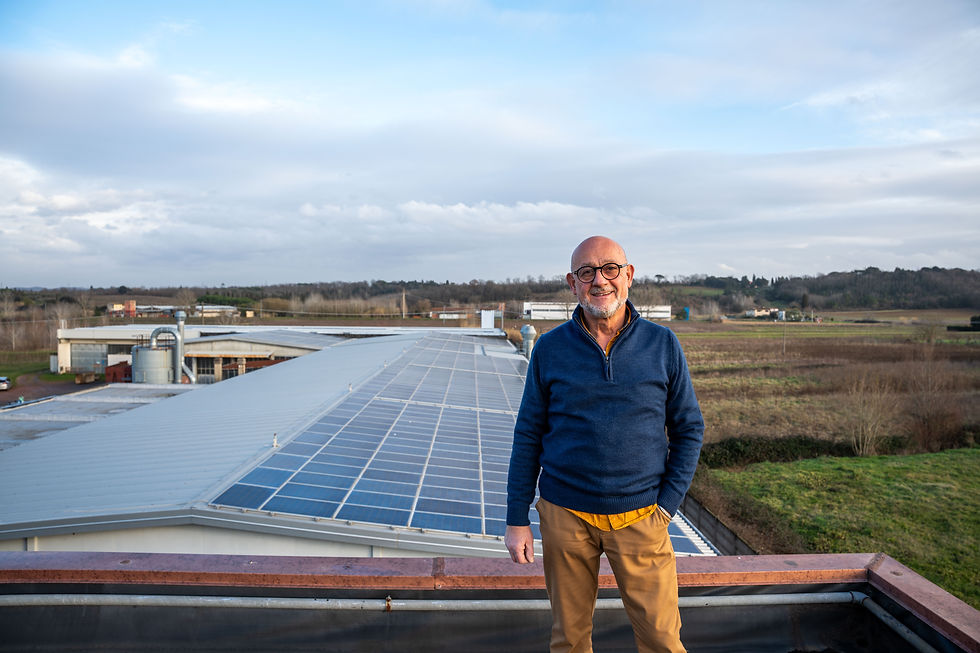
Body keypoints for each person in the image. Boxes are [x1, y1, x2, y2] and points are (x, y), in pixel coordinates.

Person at [505, 235, 704, 653]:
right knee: (569, 640)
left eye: (610, 268)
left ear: (628, 276)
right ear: (572, 283)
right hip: (565, 518)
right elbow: (528, 434)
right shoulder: (549, 348)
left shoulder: (662, 344)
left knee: (662, 640)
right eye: (587, 272)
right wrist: (516, 519)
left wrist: (666, 506)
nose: (600, 280)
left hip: (642, 517)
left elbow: (689, 429)